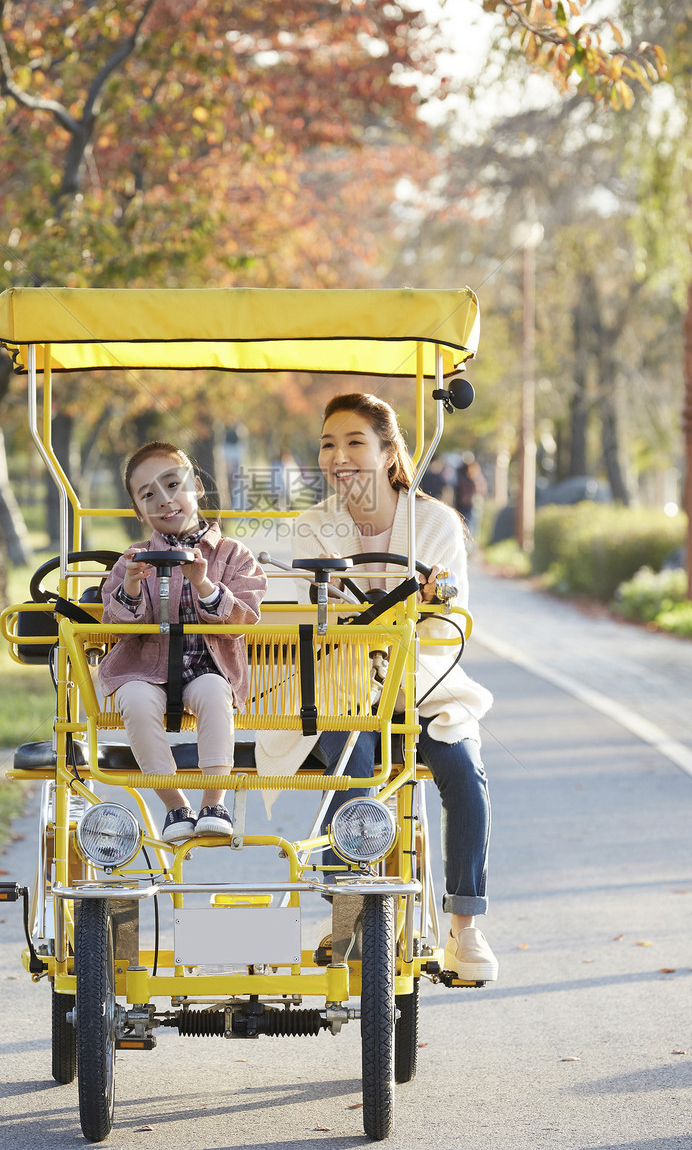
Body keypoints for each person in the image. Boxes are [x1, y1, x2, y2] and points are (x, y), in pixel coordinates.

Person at [255, 394, 498, 981]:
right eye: (329, 444)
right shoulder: (310, 527)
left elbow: (441, 631)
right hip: (339, 688)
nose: (339, 456)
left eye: (355, 442)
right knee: (354, 764)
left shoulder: (435, 523)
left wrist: (387, 617)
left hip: (423, 688)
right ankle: (352, 907)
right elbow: (298, 622)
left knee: (464, 774)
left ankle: (464, 927)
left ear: (390, 452)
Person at [99, 441, 266, 844]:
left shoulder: (233, 555)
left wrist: (204, 584)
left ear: (197, 489)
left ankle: (214, 801)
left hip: (208, 666)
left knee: (213, 693)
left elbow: (243, 617)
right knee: (135, 701)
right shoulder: (132, 559)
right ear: (139, 511)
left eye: (173, 484)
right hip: (145, 667)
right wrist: (133, 587)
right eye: (149, 495)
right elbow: (114, 624)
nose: (165, 500)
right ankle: (175, 805)